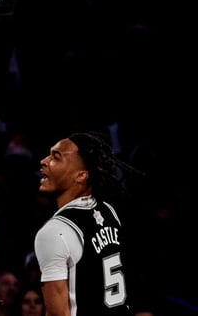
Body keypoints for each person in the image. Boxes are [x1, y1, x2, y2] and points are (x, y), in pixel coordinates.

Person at [34, 131, 145, 316]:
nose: (44, 161)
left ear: (81, 176)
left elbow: (58, 314)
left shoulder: (55, 231)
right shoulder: (109, 212)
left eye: (56, 157)